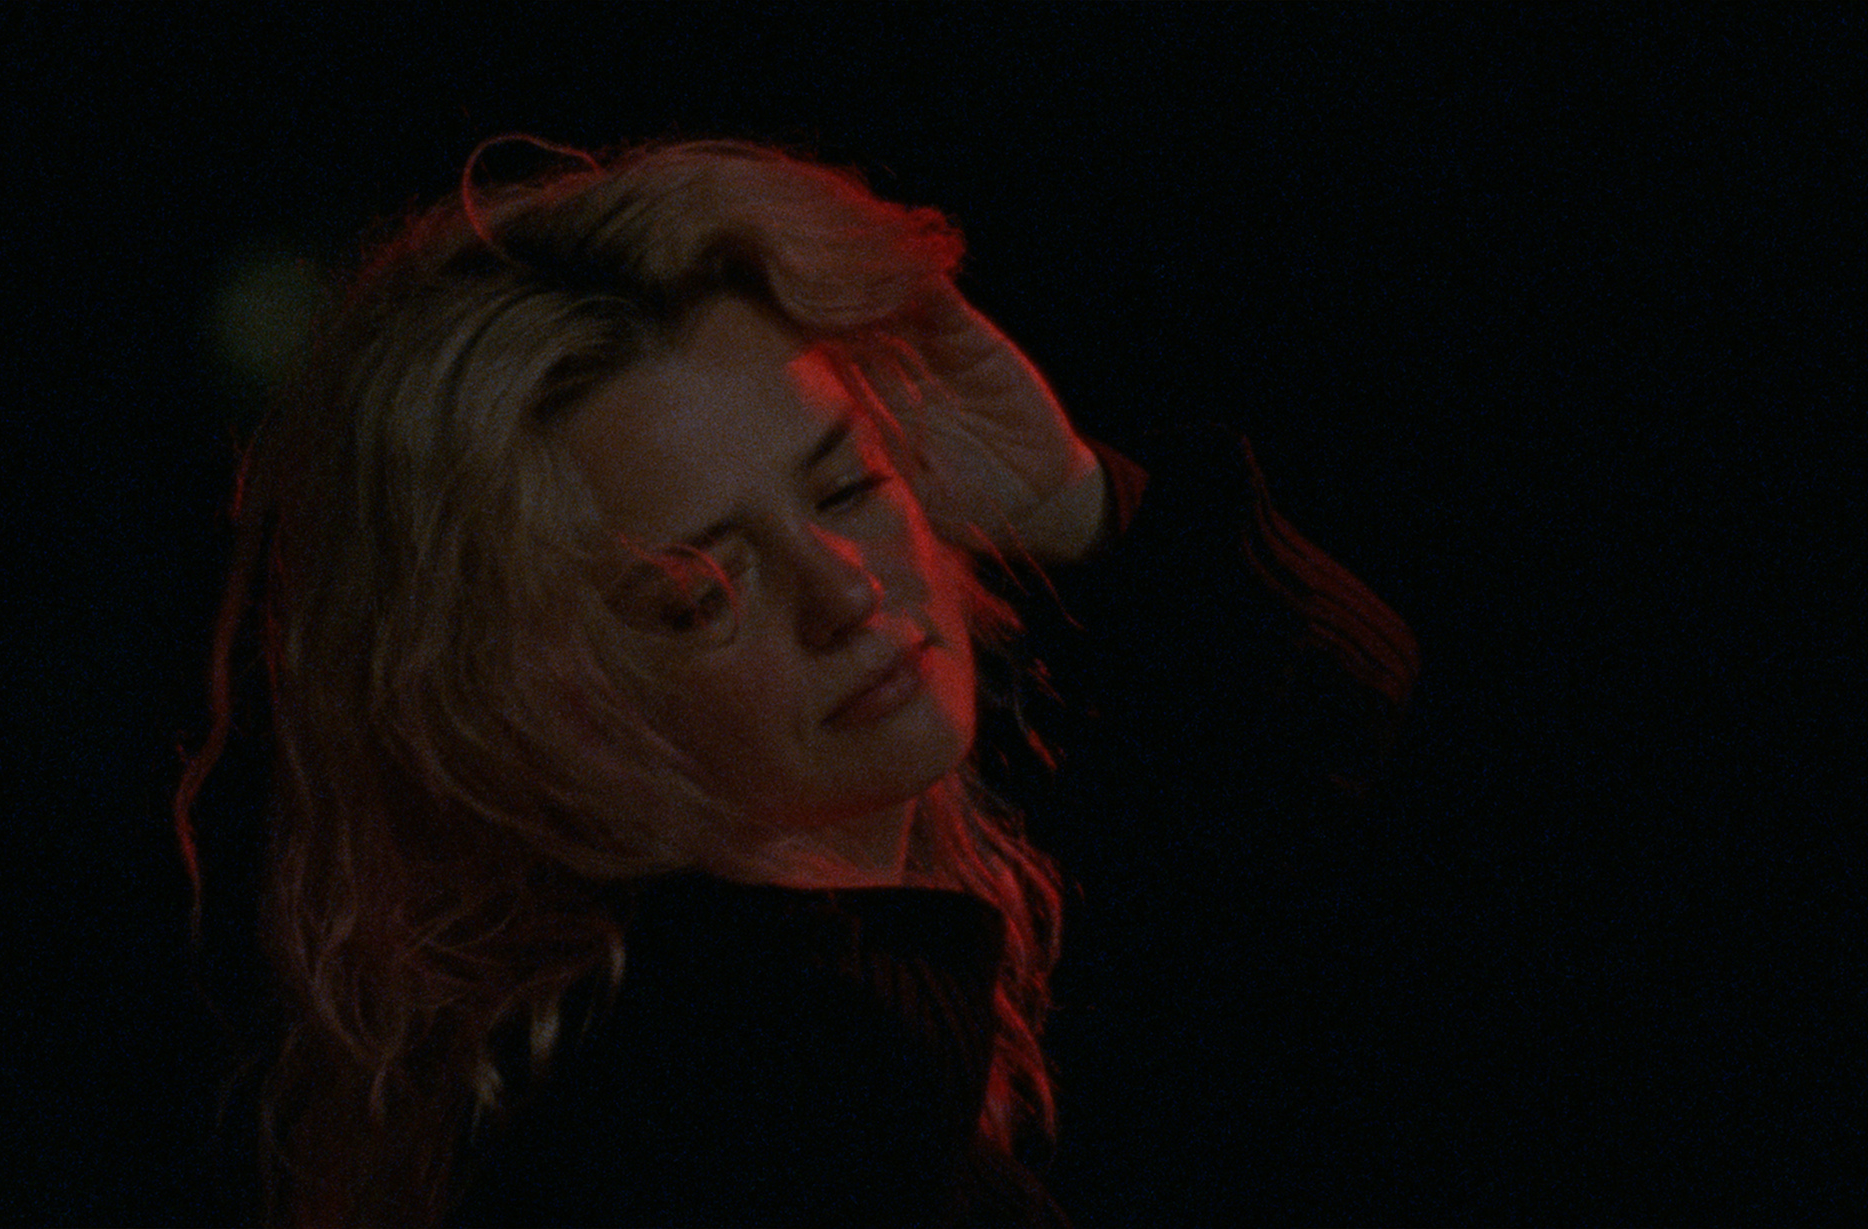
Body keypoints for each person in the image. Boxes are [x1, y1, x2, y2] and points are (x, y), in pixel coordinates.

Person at [176, 138, 1416, 1227]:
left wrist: (1076, 504)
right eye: (700, 592)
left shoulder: (830, 1003)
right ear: (530, 700)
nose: (842, 591)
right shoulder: (757, 1094)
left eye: (845, 485)